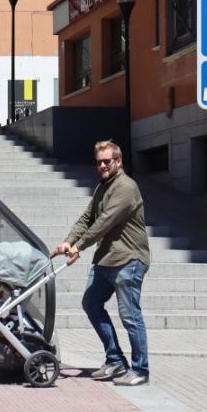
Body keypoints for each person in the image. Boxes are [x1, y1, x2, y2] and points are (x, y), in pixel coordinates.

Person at [53, 140, 150, 386]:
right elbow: (88, 218)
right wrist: (68, 241)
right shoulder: (102, 187)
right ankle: (115, 359)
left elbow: (105, 221)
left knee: (130, 315)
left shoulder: (126, 187)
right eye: (99, 162)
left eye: (108, 161)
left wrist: (80, 245)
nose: (103, 165)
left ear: (119, 161)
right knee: (91, 303)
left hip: (128, 259)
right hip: (106, 259)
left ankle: (140, 370)